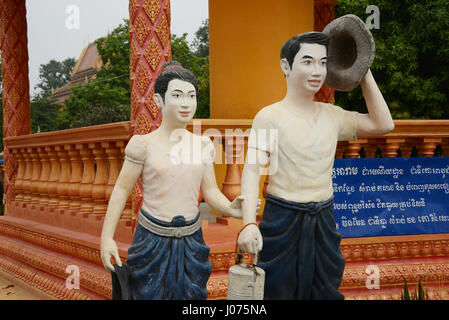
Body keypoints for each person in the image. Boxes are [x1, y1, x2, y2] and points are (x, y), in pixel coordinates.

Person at [237, 32, 394, 299]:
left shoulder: (332, 115)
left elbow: (384, 124)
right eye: (308, 62)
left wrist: (362, 70)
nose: (317, 70)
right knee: (278, 290)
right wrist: (248, 223)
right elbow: (252, 170)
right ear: (286, 66)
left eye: (323, 63)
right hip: (283, 218)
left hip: (323, 218)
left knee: (323, 290)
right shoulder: (269, 116)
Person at [100, 61, 244, 300]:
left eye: (191, 96)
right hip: (152, 239)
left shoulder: (203, 145)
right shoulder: (143, 145)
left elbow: (210, 191)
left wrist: (231, 207)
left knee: (192, 298)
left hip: (192, 239)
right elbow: (121, 191)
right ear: (159, 100)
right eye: (177, 95)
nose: (186, 103)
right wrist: (106, 238)